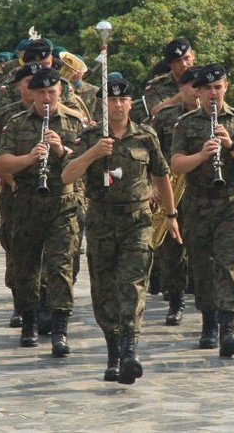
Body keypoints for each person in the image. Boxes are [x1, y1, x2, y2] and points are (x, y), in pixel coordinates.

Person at [62, 77, 180, 385]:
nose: (117, 105)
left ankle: (130, 350)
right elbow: (66, 175)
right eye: (111, 100)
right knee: (104, 291)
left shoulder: (145, 136)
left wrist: (170, 214)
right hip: (101, 221)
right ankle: (113, 353)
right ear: (103, 105)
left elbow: (162, 175)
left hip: (136, 221)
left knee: (132, 284)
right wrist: (92, 154)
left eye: (122, 100)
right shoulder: (89, 137)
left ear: (130, 103)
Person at [171, 64, 234, 358]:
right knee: (202, 266)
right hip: (198, 204)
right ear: (198, 91)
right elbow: (176, 165)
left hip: (232, 204)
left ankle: (228, 327)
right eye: (208, 88)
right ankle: (208, 322)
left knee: (228, 262)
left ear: (226, 87)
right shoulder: (185, 123)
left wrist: (230, 145)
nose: (213, 93)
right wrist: (202, 154)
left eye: (218, 87)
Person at [0, 67, 85, 356]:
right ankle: (30, 321)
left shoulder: (75, 121)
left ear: (60, 92)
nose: (47, 98)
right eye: (41, 93)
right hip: (26, 203)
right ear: (31, 94)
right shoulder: (16, 122)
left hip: (63, 203)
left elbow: (87, 161)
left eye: (52, 92)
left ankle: (60, 328)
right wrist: (29, 158)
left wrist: (61, 152)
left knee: (61, 266)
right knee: (26, 266)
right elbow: (3, 162)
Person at [0, 63, 40, 328]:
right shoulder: (6, 115)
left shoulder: (63, 113)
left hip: (53, 196)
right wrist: (11, 180)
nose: (34, 86)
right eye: (28, 81)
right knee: (17, 247)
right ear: (18, 86)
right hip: (16, 192)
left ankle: (47, 305)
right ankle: (21, 303)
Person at [150, 64, 202, 325]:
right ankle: (176, 299)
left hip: (205, 190)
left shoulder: (216, 116)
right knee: (172, 247)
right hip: (173, 188)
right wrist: (154, 184)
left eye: (199, 86)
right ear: (181, 88)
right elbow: (152, 153)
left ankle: (205, 296)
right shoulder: (166, 117)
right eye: (191, 86)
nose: (195, 91)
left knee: (202, 247)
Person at [135, 38, 195, 122]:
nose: (184, 64)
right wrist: (181, 96)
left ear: (193, 56)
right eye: (178, 61)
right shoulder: (156, 85)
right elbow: (154, 113)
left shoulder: (205, 80)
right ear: (170, 63)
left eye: (187, 58)